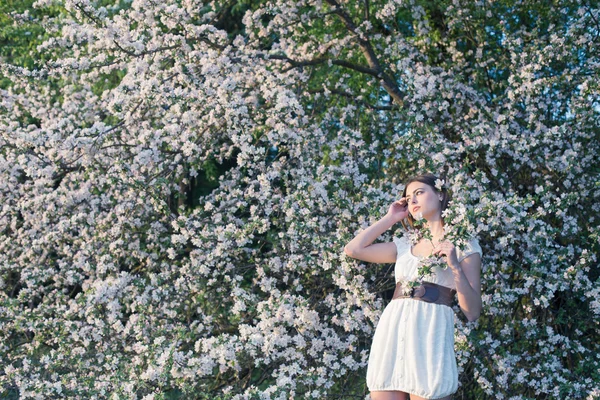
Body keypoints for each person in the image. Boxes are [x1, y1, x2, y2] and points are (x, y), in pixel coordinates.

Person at [344, 173, 483, 400]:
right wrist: (391, 217)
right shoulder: (406, 244)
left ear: (439, 194)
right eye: (408, 198)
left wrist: (454, 266)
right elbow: (353, 249)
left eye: (419, 193)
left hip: (429, 333)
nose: (413, 201)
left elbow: (473, 311)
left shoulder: (463, 243)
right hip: (393, 331)